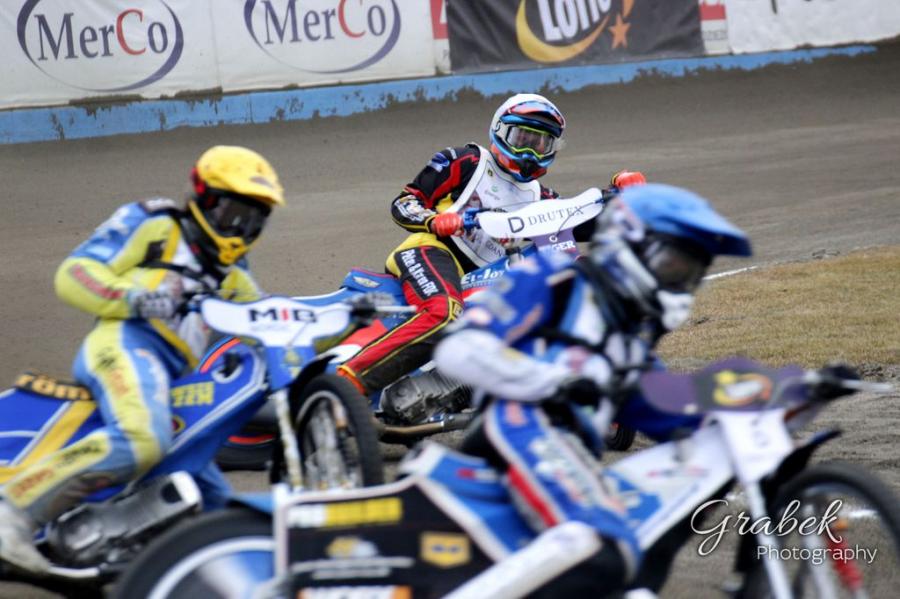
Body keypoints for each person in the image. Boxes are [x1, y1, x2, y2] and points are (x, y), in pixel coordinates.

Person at [433, 183, 752, 596]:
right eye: (673, 266)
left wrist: (772, 402)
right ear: (631, 245)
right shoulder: (551, 276)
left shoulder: (629, 337)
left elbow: (670, 408)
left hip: (569, 449)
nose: (681, 280)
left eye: (690, 272)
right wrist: (550, 382)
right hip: (519, 428)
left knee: (634, 559)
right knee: (604, 545)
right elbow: (458, 350)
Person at [0, 145, 284, 572]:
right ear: (204, 197)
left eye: (252, 219)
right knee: (142, 439)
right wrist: (135, 299)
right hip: (124, 345)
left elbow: (270, 319)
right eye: (232, 214)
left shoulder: (234, 273)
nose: (240, 228)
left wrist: (353, 315)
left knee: (215, 507)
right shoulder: (156, 224)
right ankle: (12, 513)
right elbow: (74, 273)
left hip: (175, 379)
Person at [337, 92, 644, 396]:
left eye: (541, 143)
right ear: (499, 130)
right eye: (521, 138)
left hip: (482, 278)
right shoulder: (466, 161)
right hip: (431, 250)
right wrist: (434, 220)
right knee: (443, 312)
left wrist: (623, 196)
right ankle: (349, 380)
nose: (530, 151)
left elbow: (578, 223)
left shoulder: (540, 197)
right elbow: (405, 202)